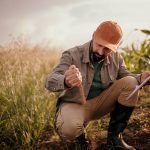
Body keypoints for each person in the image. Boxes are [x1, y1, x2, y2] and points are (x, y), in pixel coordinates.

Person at [45, 21, 150, 150]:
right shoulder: (72, 54)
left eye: (107, 48)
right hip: (75, 104)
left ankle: (115, 139)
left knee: (131, 82)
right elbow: (49, 81)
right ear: (93, 35)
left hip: (100, 103)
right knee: (69, 129)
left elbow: (126, 78)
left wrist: (140, 78)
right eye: (99, 45)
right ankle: (81, 141)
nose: (100, 52)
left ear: (115, 47)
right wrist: (66, 80)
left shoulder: (116, 57)